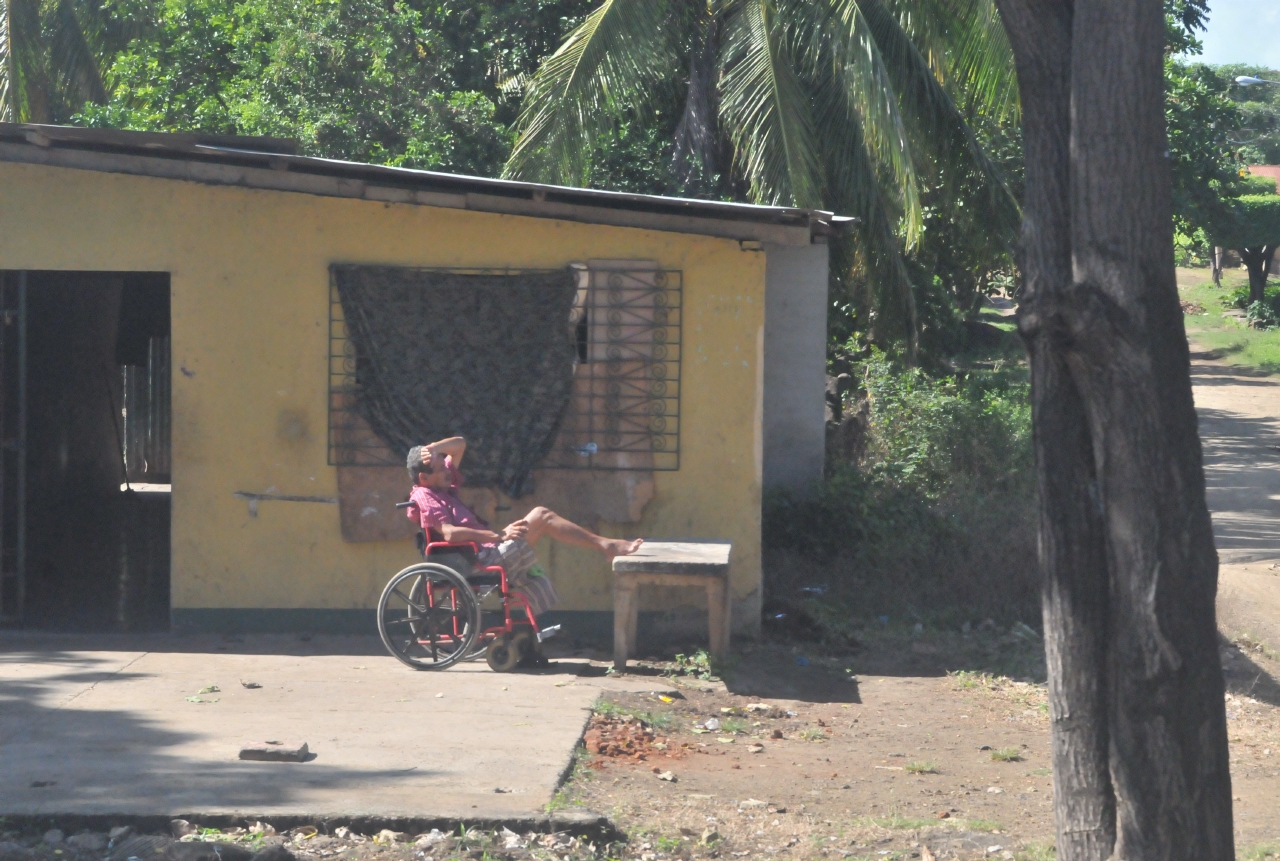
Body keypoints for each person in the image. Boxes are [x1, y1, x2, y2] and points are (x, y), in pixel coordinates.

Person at [405, 437, 643, 619]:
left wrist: (435, 447)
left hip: (486, 550)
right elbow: (448, 533)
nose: (448, 470)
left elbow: (461, 443)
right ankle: (605, 545)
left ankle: (604, 545)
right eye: (440, 468)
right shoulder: (425, 496)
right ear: (424, 478)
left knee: (542, 516)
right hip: (477, 560)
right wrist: (499, 536)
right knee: (541, 515)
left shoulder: (444, 489)